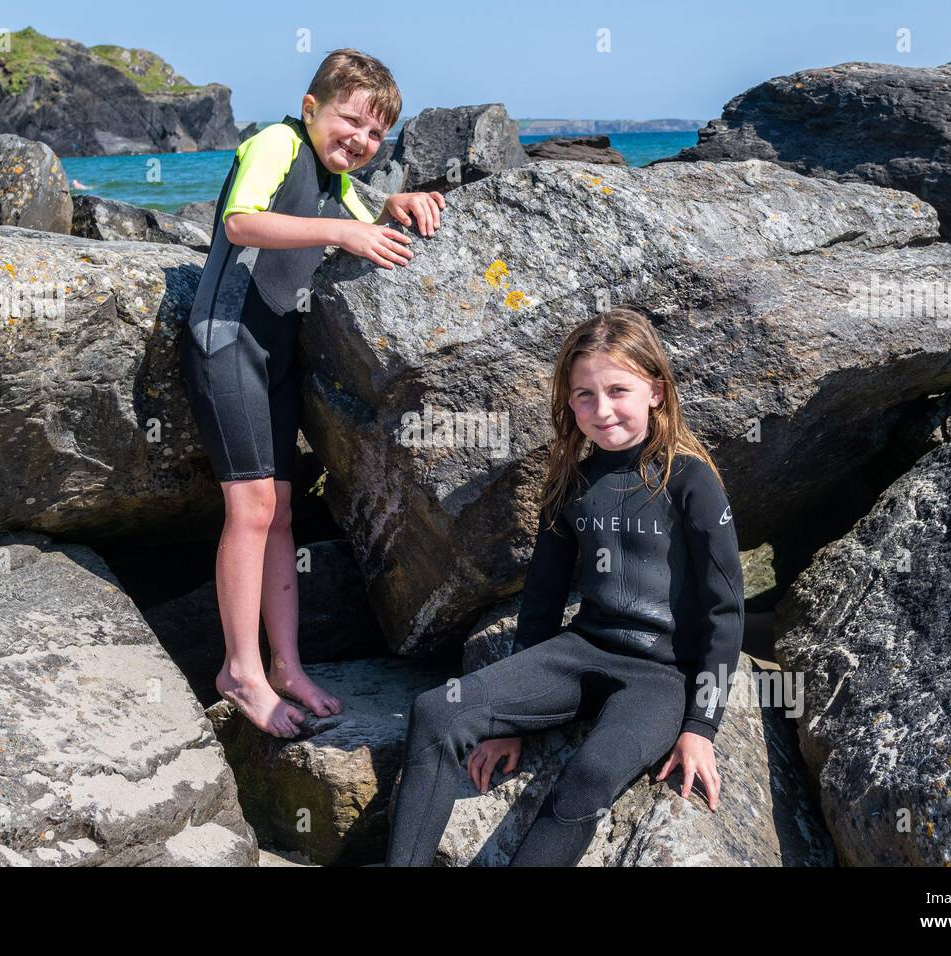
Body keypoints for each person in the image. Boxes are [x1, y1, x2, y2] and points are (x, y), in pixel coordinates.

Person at [385, 307, 746, 866]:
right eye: (583, 395)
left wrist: (701, 726)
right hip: (582, 651)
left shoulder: (691, 480)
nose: (601, 410)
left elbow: (727, 611)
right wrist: (508, 720)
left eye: (617, 390)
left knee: (591, 772)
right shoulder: (572, 482)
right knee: (437, 712)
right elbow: (543, 598)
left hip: (663, 673)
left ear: (655, 390)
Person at [180, 49, 446, 737]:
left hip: (276, 355)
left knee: (283, 510)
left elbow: (369, 211)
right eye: (349, 121)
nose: (358, 140)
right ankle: (240, 670)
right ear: (310, 107)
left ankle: (286, 664)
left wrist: (397, 201)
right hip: (226, 338)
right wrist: (343, 229)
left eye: (374, 135)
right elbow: (243, 222)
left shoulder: (339, 179)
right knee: (251, 505)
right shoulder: (275, 143)